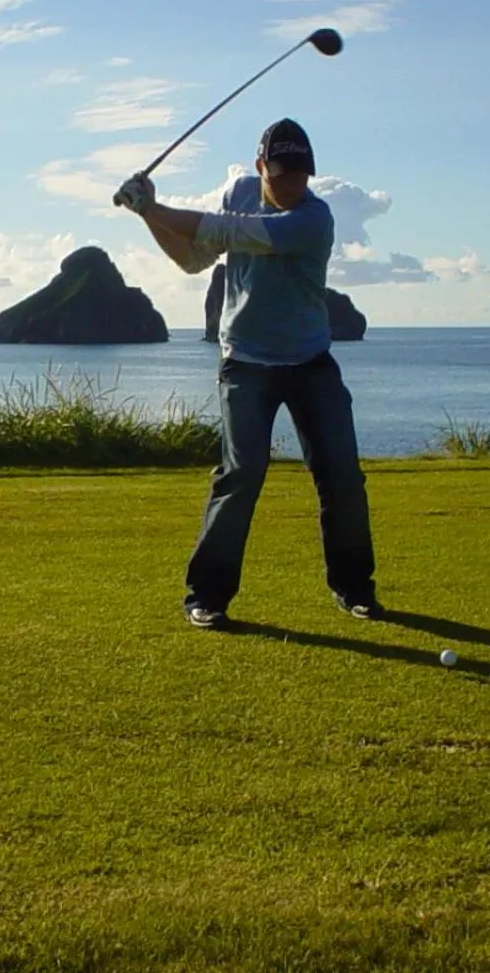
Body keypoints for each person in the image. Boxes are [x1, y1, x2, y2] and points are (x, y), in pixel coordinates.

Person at [115, 118, 379, 629]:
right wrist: (146, 216)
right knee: (240, 476)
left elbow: (224, 232)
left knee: (342, 476)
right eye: (281, 175)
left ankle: (355, 589)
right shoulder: (240, 191)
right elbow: (193, 259)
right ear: (261, 167)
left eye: (301, 175)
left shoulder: (313, 219)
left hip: (310, 360)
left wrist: (150, 205)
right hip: (245, 363)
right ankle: (206, 597)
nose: (292, 185)